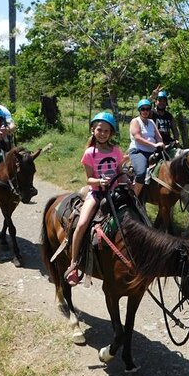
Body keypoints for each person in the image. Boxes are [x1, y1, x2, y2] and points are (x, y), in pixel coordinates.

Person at [64, 112, 126, 286]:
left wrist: (127, 179)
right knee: (82, 224)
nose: (103, 133)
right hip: (97, 193)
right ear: (93, 130)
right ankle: (74, 263)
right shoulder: (90, 153)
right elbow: (88, 179)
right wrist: (99, 181)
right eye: (100, 129)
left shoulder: (116, 151)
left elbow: (120, 173)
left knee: (138, 214)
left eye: (107, 131)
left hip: (115, 192)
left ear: (111, 133)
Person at [128, 98, 164, 198]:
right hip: (139, 151)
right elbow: (137, 137)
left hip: (152, 152)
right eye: (143, 109)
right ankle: (134, 199)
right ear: (139, 110)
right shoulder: (135, 121)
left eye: (148, 109)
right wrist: (154, 145)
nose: (145, 111)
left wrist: (161, 143)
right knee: (141, 173)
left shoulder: (152, 122)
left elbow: (158, 136)